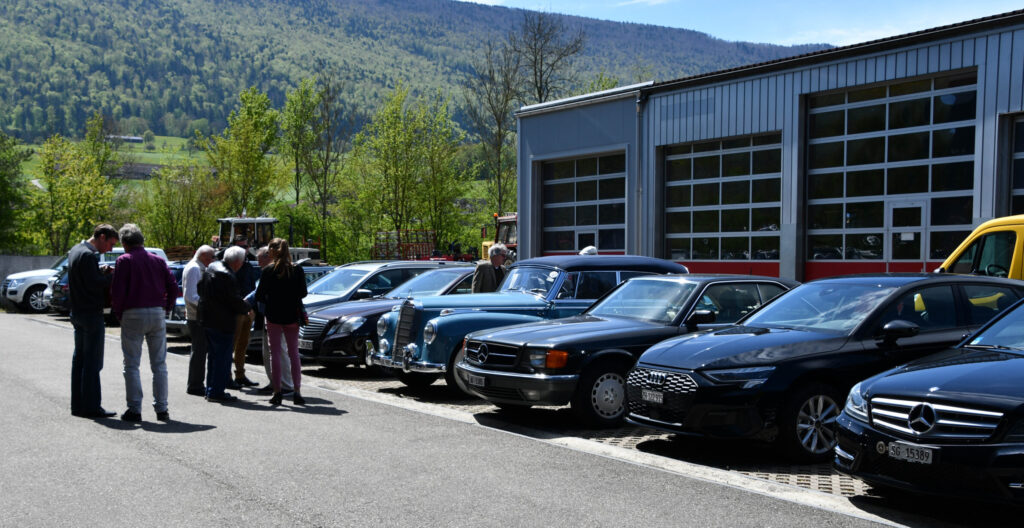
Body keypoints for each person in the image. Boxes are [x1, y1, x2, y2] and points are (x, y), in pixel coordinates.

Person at [110, 224, 179, 422]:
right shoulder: (158, 260)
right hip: (157, 313)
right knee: (159, 364)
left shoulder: (124, 260)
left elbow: (117, 292)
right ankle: (162, 408)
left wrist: (119, 314)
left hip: (132, 313)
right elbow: (173, 287)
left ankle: (135, 409)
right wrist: (166, 308)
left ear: (124, 243)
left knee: (131, 364)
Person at [68, 224, 120, 419]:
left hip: (77, 312)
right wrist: (111, 276)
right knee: (92, 362)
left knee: (79, 360)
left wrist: (100, 272)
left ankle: (77, 405)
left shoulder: (76, 250)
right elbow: (94, 284)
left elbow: (85, 278)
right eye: (110, 244)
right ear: (102, 237)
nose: (110, 249)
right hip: (91, 313)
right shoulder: (89, 255)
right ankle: (91, 407)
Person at [253, 238, 308, 406]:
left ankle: (277, 392)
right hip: (292, 315)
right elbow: (303, 293)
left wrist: (272, 299)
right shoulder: (296, 269)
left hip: (273, 315)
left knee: (275, 353)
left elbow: (259, 295)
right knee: (293, 353)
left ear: (271, 252)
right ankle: (297, 391)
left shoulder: (268, 270)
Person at [199, 246, 252, 403]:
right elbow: (233, 300)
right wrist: (247, 307)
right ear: (237, 262)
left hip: (207, 318)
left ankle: (211, 390)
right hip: (222, 321)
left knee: (213, 357)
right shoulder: (227, 276)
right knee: (222, 358)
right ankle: (216, 392)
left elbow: (199, 288)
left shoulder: (211, 267)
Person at [246, 246, 294, 396]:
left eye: (259, 259)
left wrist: (244, 302)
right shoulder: (269, 270)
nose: (258, 263)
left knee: (279, 351)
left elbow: (258, 293)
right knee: (268, 352)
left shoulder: (277, 271)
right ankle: (274, 382)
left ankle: (286, 385)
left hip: (278, 316)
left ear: (269, 256)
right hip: (269, 315)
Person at [183, 245, 215, 396]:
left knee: (200, 351)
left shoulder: (197, 267)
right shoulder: (195, 268)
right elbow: (190, 296)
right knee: (199, 351)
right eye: (211, 257)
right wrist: (208, 305)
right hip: (197, 316)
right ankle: (195, 385)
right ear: (203, 256)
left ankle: (196, 384)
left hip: (197, 315)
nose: (213, 260)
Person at [227, 235, 260, 388]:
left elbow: (253, 288)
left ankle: (240, 375)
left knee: (243, 345)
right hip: (236, 311)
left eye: (246, 247)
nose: (245, 249)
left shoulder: (248, 265)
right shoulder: (230, 266)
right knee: (231, 345)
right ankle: (226, 376)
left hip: (248, 310)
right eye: (241, 247)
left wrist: (252, 308)